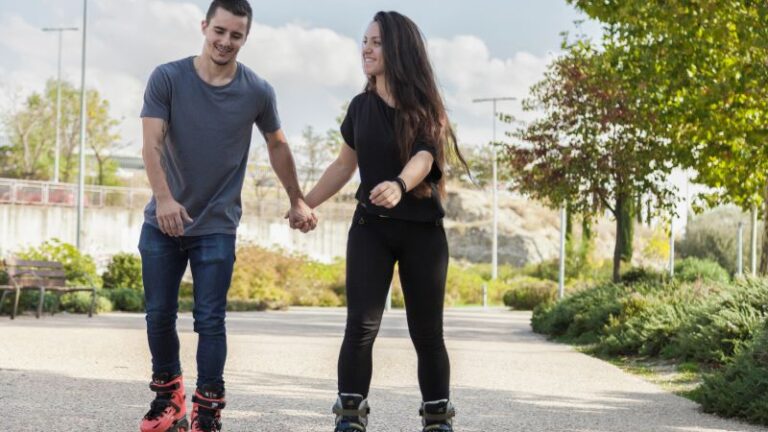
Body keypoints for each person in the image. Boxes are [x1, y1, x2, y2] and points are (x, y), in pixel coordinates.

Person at [137, 1, 316, 431]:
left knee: (210, 319)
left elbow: (278, 145)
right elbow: (151, 144)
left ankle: (207, 410)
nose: (225, 42)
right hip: (162, 221)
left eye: (236, 35)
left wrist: (297, 198)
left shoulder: (256, 90)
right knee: (158, 313)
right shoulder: (168, 77)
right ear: (205, 26)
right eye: (219, 31)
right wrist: (164, 200)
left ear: (245, 38)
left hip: (216, 224)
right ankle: (168, 398)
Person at [301, 11, 470, 432]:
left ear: (398, 49)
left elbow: (425, 157)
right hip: (370, 229)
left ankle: (437, 417)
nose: (366, 49)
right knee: (360, 325)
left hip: (423, 234)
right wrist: (306, 203)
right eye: (364, 41)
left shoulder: (428, 109)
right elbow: (344, 166)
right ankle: (350, 415)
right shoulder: (359, 107)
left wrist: (398, 184)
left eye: (376, 42)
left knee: (427, 332)